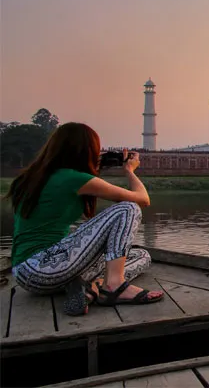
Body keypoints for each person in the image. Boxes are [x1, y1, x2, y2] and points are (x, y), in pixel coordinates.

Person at [4, 122, 164, 316]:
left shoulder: (35, 177)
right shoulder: (72, 178)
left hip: (31, 273)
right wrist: (129, 171)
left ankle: (88, 288)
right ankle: (113, 286)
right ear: (83, 151)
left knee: (141, 256)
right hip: (42, 267)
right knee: (128, 208)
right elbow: (142, 199)